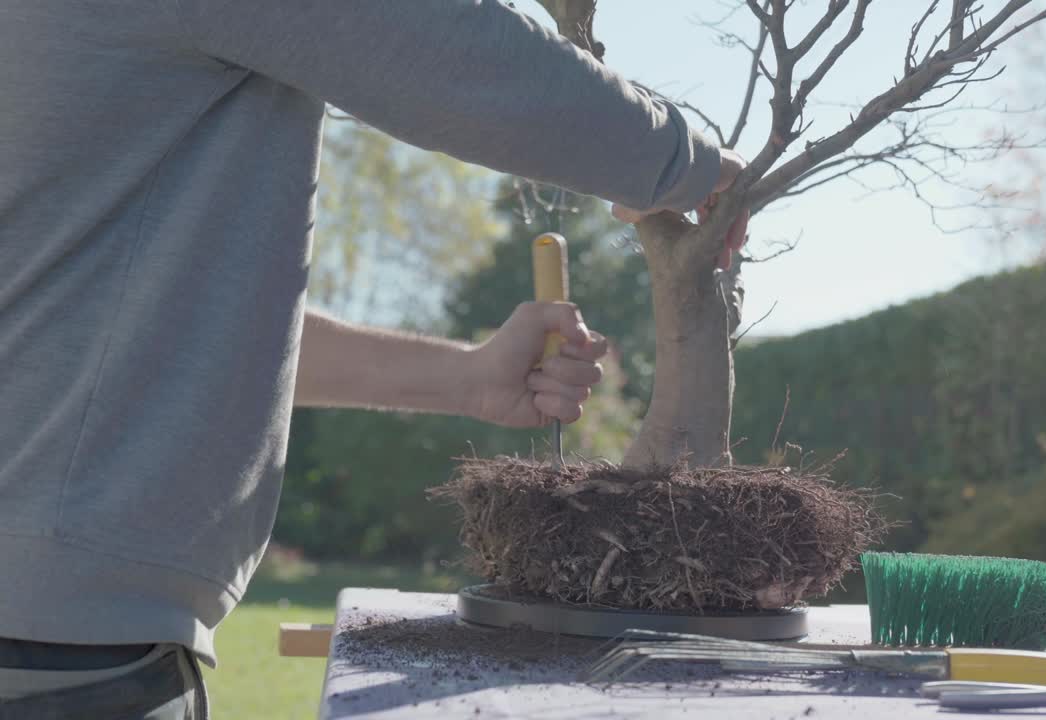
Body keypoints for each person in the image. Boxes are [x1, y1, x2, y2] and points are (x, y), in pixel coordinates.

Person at [0, 1, 748, 717]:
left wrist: (467, 377)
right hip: (53, 655)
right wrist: (684, 162)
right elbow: (448, 49)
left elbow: (147, 328)